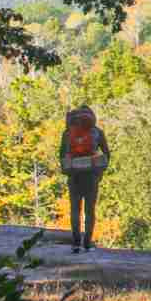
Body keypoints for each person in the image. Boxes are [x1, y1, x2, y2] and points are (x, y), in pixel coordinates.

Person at [59, 105, 111, 253]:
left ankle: (76, 243)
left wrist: (68, 170)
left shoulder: (68, 133)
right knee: (90, 210)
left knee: (75, 209)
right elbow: (107, 153)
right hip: (91, 175)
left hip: (74, 175)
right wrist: (100, 172)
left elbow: (62, 154)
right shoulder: (97, 132)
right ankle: (87, 243)